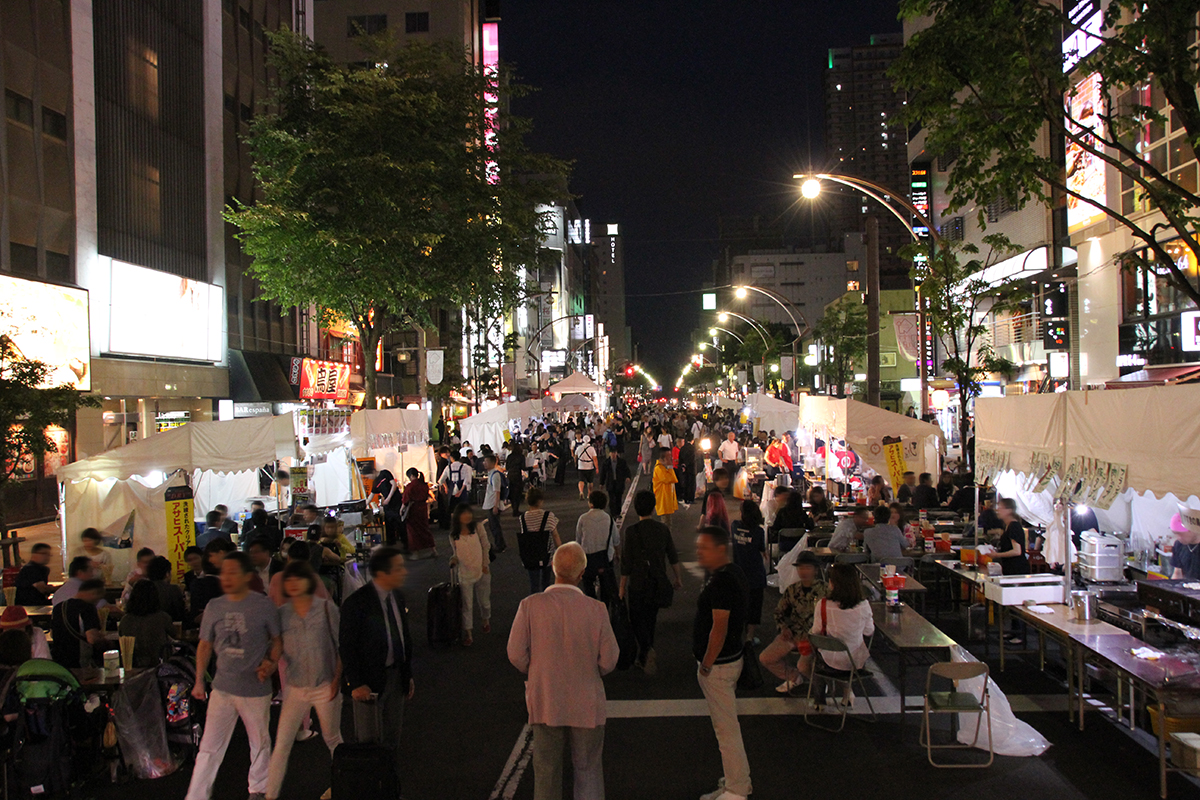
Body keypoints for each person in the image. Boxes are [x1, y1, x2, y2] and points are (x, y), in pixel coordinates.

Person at [507, 543, 619, 800]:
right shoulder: (596, 609)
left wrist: (535, 670)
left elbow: (515, 653)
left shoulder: (530, 605)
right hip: (586, 701)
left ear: (553, 568)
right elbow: (610, 660)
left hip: (545, 698)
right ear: (582, 574)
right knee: (588, 769)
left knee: (546, 770)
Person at [185, 552, 282, 800]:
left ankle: (259, 790)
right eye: (223, 572)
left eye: (232, 572)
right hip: (223, 687)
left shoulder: (263, 605)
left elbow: (278, 641)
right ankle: (196, 795)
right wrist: (198, 679)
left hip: (255, 688)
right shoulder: (214, 606)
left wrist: (271, 663)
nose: (226, 577)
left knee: (259, 742)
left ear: (247, 576)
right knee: (209, 747)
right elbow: (205, 645)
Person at [264, 561, 343, 800]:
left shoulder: (327, 609)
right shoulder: (281, 614)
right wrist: (267, 664)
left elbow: (342, 647)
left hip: (324, 684)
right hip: (295, 687)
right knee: (282, 743)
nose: (294, 584)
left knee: (333, 739)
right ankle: (269, 795)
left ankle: (343, 785)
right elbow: (276, 648)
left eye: (298, 578)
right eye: (289, 580)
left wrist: (336, 681)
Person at [340, 547, 414, 773]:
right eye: (399, 567)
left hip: (396, 676)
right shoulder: (357, 604)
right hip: (368, 683)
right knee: (369, 741)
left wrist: (407, 674)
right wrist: (355, 682)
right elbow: (347, 646)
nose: (404, 572)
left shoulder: (397, 597)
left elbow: (403, 638)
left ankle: (388, 786)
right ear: (382, 573)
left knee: (392, 738)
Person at [694, 526, 752, 800]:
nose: (699, 553)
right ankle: (734, 779)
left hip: (719, 665)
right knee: (727, 727)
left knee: (726, 730)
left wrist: (706, 664)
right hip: (731, 658)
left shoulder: (722, 582)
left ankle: (737, 788)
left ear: (719, 549)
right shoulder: (733, 573)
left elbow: (719, 628)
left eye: (704, 548)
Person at [619, 491, 683, 675]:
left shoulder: (631, 532)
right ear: (654, 507)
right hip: (657, 581)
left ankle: (646, 650)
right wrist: (678, 578)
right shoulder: (662, 530)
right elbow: (672, 555)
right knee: (651, 619)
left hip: (637, 583)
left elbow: (626, 563)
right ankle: (646, 654)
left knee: (637, 619)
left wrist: (622, 587)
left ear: (636, 508)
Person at [760, 550, 827, 694]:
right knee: (766, 658)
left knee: (803, 665)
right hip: (794, 633)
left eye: (807, 567)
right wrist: (783, 628)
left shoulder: (825, 590)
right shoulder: (792, 590)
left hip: (815, 637)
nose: (803, 571)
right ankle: (794, 677)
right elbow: (779, 612)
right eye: (801, 568)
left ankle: (819, 683)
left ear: (815, 570)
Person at [810, 563, 874, 708]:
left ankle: (819, 700)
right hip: (855, 663)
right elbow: (869, 631)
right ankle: (847, 694)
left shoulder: (823, 604)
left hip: (828, 663)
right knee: (847, 653)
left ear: (832, 584)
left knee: (817, 656)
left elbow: (816, 632)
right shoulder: (864, 605)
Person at [449, 504, 492, 646]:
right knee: (467, 604)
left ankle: (485, 618)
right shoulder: (453, 535)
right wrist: (454, 559)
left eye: (469, 513)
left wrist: (485, 564)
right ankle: (468, 633)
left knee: (484, 601)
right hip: (464, 572)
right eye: (463, 514)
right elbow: (455, 552)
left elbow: (486, 545)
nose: (467, 516)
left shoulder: (478, 527)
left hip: (481, 569)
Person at [732, 500, 768, 643]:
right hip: (755, 574)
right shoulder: (759, 531)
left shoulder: (734, 526)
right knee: (755, 605)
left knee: (739, 603)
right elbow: (762, 549)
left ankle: (736, 633)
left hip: (738, 572)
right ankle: (750, 636)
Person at [118, 580, 176, 668]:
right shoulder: (163, 617)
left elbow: (121, 634)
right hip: (159, 665)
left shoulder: (125, 620)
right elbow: (174, 634)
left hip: (132, 666)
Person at [50, 578, 105, 667]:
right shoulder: (88, 608)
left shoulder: (58, 607)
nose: (97, 601)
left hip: (59, 661)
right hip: (79, 661)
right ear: (93, 593)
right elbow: (92, 638)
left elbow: (52, 634)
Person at [576, 491, 619, 603]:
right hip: (605, 558)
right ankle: (604, 608)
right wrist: (617, 554)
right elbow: (616, 540)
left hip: (588, 559)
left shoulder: (583, 518)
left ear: (590, 504)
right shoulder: (609, 519)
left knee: (588, 587)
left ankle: (592, 608)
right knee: (606, 588)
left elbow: (578, 540)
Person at [519, 488, 562, 595]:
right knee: (546, 582)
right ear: (540, 501)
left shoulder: (523, 517)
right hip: (546, 554)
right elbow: (555, 535)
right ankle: (545, 604)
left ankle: (535, 605)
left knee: (534, 584)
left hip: (530, 555)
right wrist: (561, 551)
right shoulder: (548, 515)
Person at [268, 541, 329, 606]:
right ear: (308, 559)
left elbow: (270, 605)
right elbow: (325, 604)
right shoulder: (313, 578)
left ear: (288, 558)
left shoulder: (277, 578)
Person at [402, 468, 437, 558]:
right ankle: (433, 550)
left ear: (411, 476)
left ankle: (415, 553)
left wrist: (401, 509)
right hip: (423, 508)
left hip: (413, 509)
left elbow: (406, 499)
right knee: (425, 529)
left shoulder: (410, 486)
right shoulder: (424, 484)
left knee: (413, 531)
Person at [146, 556, 188, 623]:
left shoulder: (143, 588)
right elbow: (180, 614)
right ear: (167, 574)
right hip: (169, 628)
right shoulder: (173, 589)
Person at [771, 490, 813, 554]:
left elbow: (775, 527)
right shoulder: (802, 513)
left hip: (784, 543)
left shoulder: (782, 512)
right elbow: (810, 526)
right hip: (799, 543)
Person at [372, 470, 406, 548]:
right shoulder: (375, 483)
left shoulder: (385, 473)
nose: (368, 477)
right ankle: (391, 545)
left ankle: (405, 544)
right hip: (388, 506)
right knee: (389, 525)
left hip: (396, 502)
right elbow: (371, 495)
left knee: (400, 524)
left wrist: (388, 498)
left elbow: (394, 485)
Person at [482, 454, 506, 554]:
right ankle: (500, 544)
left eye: (486, 461)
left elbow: (497, 491)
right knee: (493, 526)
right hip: (491, 503)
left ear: (493, 463)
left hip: (493, 504)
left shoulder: (495, 475)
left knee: (495, 526)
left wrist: (496, 506)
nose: (484, 463)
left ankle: (500, 545)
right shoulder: (491, 474)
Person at [598, 447, 632, 520]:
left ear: (617, 453)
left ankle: (618, 512)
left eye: (614, 453)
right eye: (612, 453)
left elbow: (626, 470)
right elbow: (603, 473)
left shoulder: (622, 462)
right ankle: (613, 513)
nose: (613, 455)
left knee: (618, 498)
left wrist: (628, 477)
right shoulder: (606, 463)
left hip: (619, 482)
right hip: (610, 483)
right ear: (609, 453)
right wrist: (601, 483)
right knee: (612, 498)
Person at [1170, 511, 1200, 580]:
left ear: (1191, 530)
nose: (1178, 537)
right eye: (1175, 533)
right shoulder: (1179, 545)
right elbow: (1177, 573)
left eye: (1180, 534)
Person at [652, 449, 678, 527]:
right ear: (663, 458)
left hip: (666, 500)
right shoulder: (659, 468)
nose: (671, 459)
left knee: (668, 522)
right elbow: (671, 479)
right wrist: (670, 467)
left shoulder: (663, 467)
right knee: (665, 523)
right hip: (663, 500)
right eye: (669, 457)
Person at [575, 435, 599, 501]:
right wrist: (596, 467)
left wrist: (576, 464)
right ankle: (589, 493)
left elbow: (575, 456)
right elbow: (595, 459)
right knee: (590, 481)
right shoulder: (591, 448)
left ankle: (581, 492)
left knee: (581, 480)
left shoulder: (579, 447)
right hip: (589, 467)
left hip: (581, 466)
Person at [508, 441, 527, 516]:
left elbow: (507, 467)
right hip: (517, 475)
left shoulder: (509, 456)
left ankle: (513, 508)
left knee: (512, 493)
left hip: (510, 475)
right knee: (518, 493)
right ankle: (516, 509)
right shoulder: (521, 456)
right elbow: (523, 467)